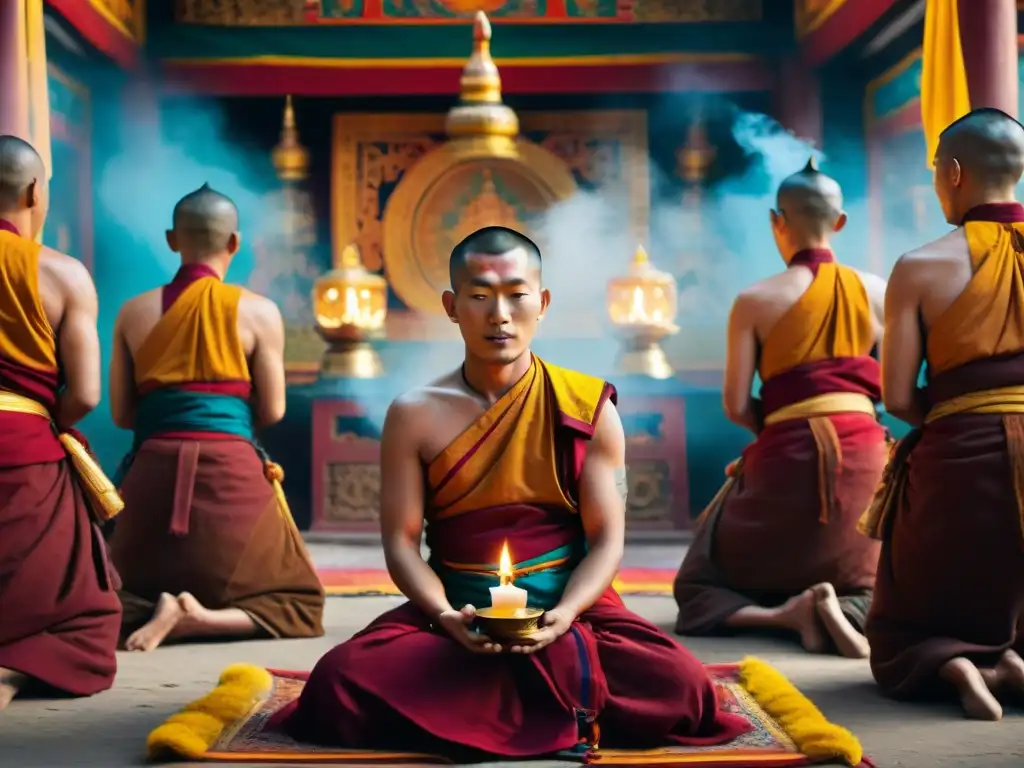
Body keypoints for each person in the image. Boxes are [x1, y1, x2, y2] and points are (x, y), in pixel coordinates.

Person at [270, 226, 751, 756]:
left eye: (516, 295)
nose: (499, 314)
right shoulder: (414, 415)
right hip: (456, 609)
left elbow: (607, 538)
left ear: (541, 302)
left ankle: (486, 699)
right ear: (452, 307)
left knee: (682, 687)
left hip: (572, 611)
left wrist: (566, 614)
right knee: (338, 683)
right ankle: (537, 698)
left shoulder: (586, 406)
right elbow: (402, 543)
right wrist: (446, 616)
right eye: (479, 296)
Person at [673, 159, 889, 658]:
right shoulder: (880, 293)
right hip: (866, 458)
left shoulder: (755, 300)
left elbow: (734, 405)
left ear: (777, 221)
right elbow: (896, 392)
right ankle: (847, 608)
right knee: (890, 573)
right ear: (840, 222)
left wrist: (776, 434)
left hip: (783, 456)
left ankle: (782, 614)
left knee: (698, 587)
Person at [107, 184, 324, 652]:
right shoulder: (259, 312)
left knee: (105, 596)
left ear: (171, 240)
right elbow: (273, 410)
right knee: (299, 604)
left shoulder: (133, 312)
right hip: (233, 474)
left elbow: (123, 415)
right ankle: (200, 618)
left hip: (150, 477)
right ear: (234, 243)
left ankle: (157, 607)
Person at [862, 108, 1024, 720]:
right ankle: (1013, 655)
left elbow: (899, 396)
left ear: (952, 173)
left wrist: (964, 414)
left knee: (909, 622)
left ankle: (953, 658)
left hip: (960, 455)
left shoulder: (922, 265)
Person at [0, 135, 121, 708]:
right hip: (25, 448)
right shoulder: (62, 274)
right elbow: (89, 394)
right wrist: (49, 420)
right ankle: (12, 669)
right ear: (32, 192)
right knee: (85, 625)